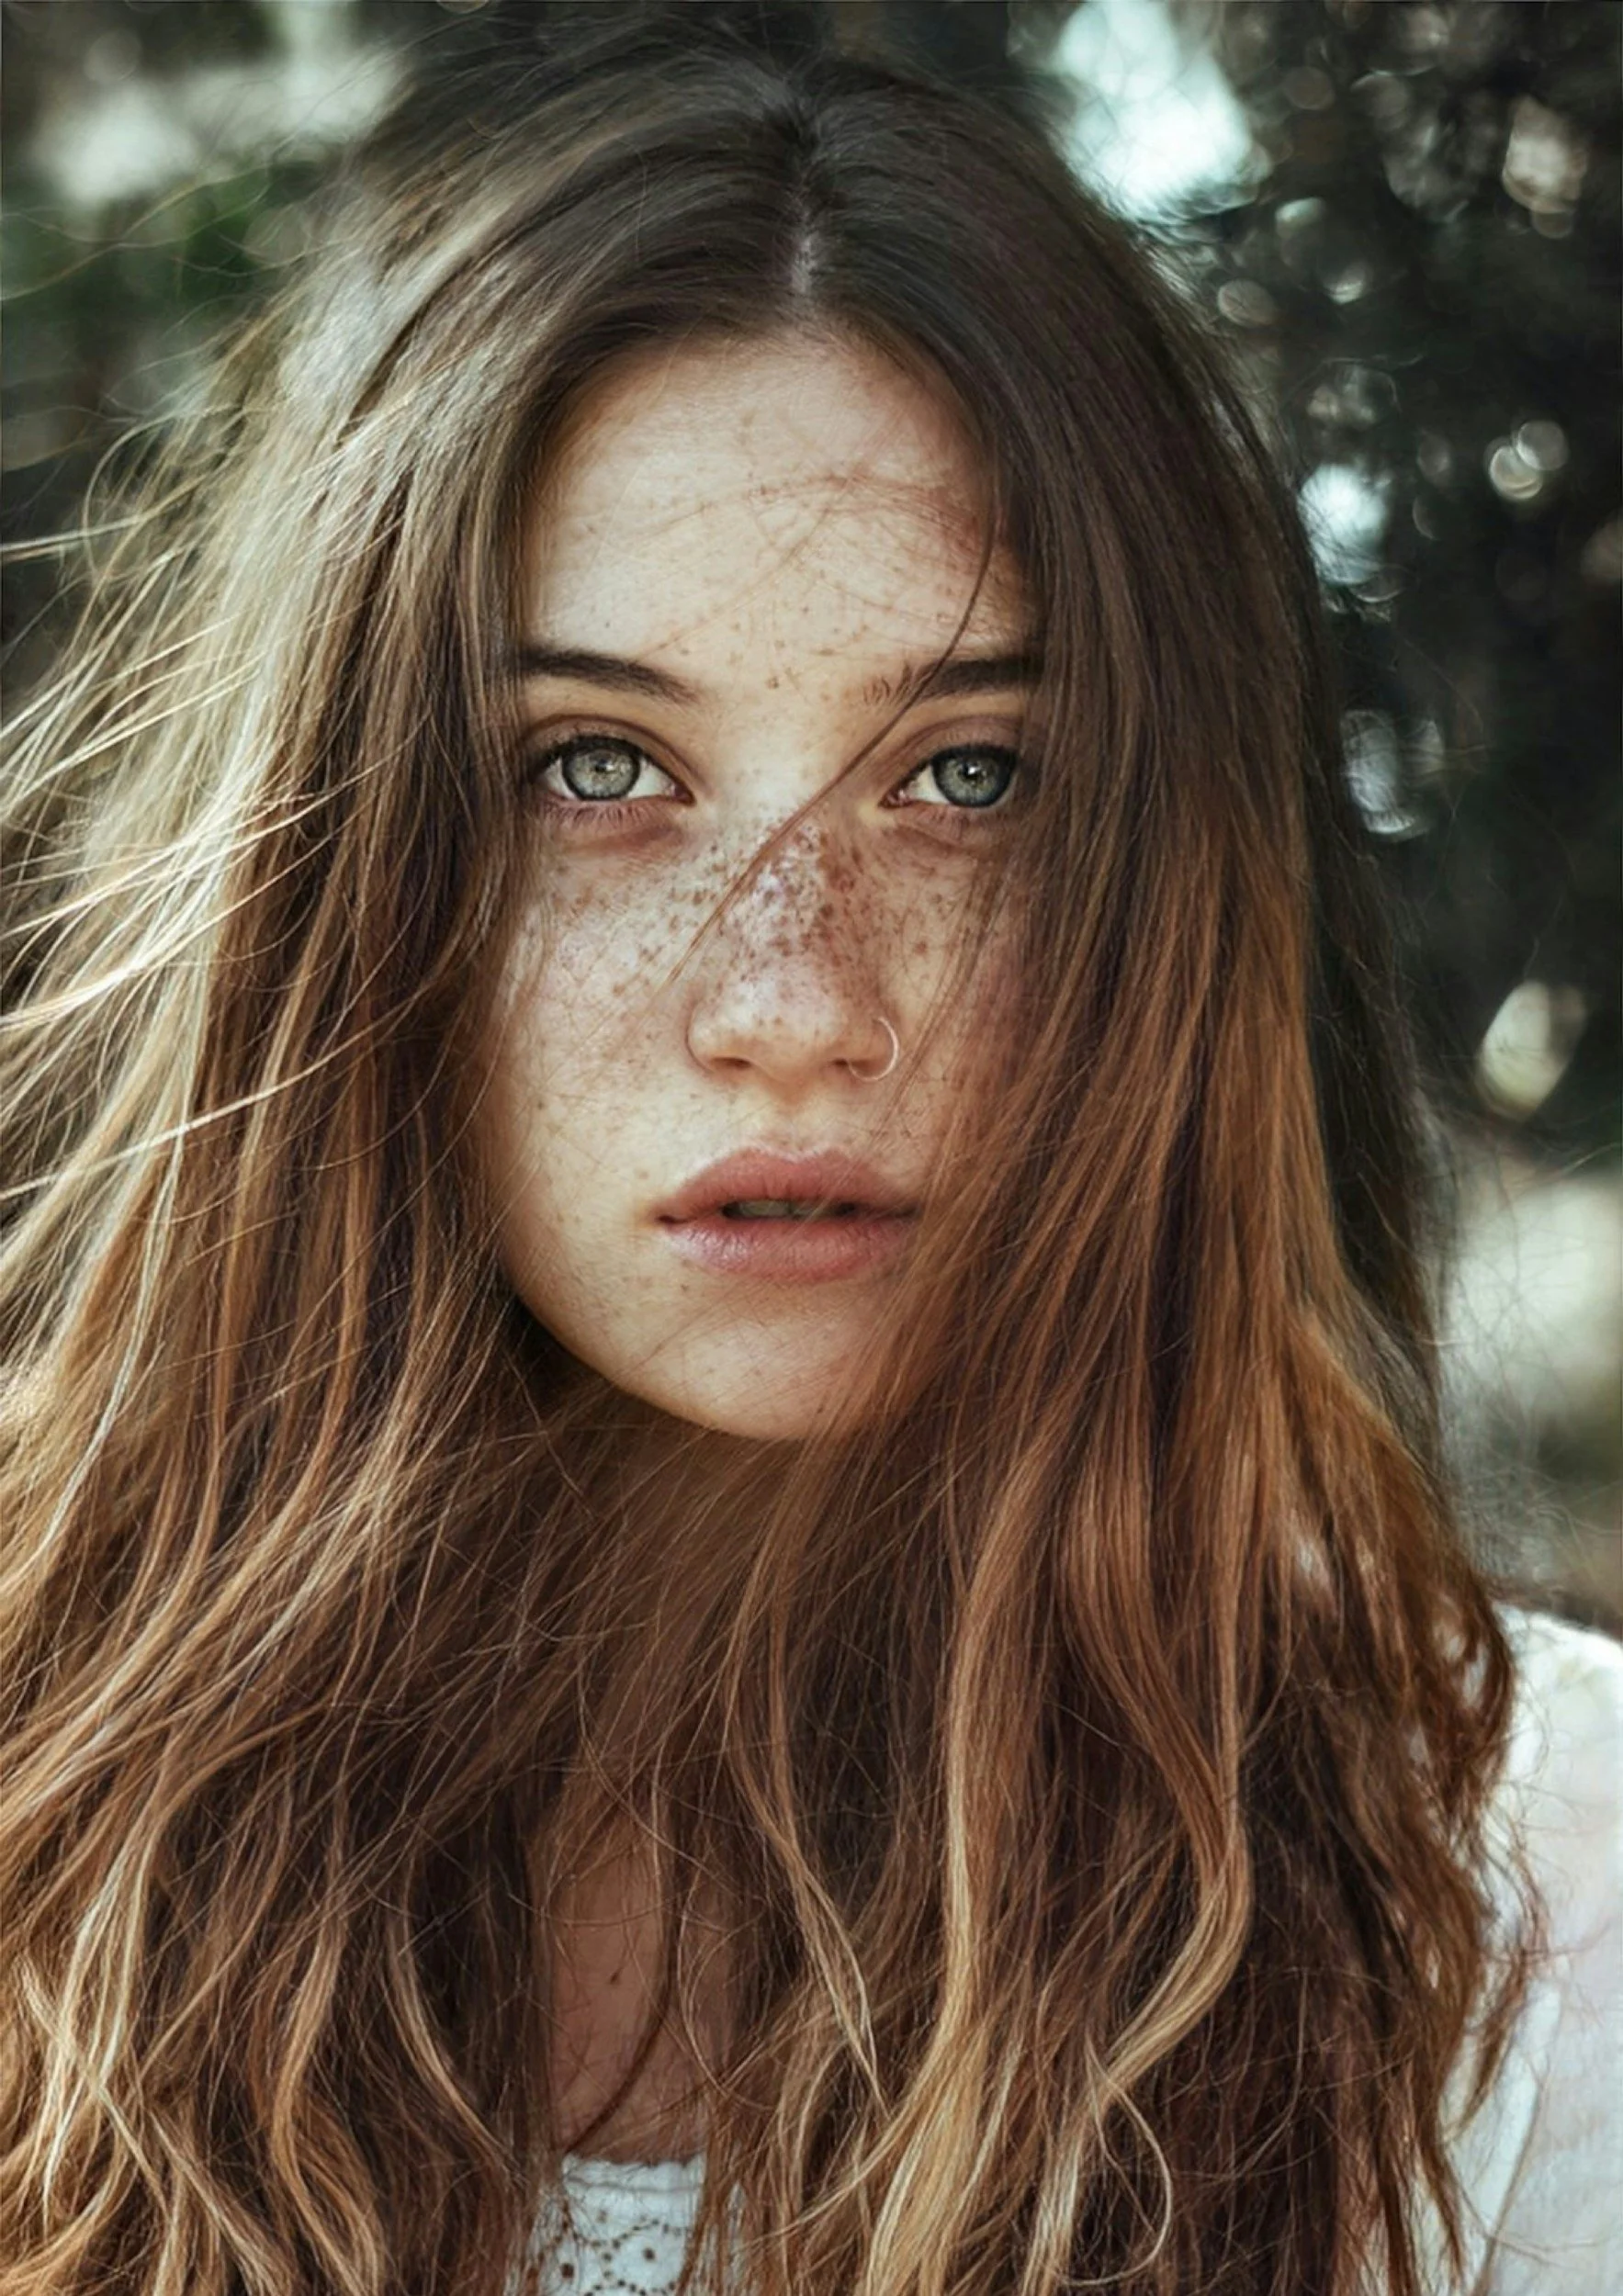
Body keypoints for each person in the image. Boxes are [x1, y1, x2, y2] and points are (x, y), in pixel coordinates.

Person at [2, 13, 1617, 2295]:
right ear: (333, 864)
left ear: (1170, 874)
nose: (793, 1005)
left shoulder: (1537, 1909)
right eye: (590, 766)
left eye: (967, 777)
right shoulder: (38, 1765)